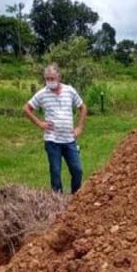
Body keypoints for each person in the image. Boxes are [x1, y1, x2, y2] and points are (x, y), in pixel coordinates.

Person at [23, 64, 88, 194]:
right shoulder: (42, 94)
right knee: (55, 172)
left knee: (77, 170)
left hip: (69, 139)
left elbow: (82, 107)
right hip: (52, 140)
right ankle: (57, 199)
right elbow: (26, 108)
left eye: (52, 78)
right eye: (47, 79)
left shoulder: (69, 90)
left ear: (59, 76)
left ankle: (75, 197)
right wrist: (40, 123)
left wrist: (79, 127)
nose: (50, 81)